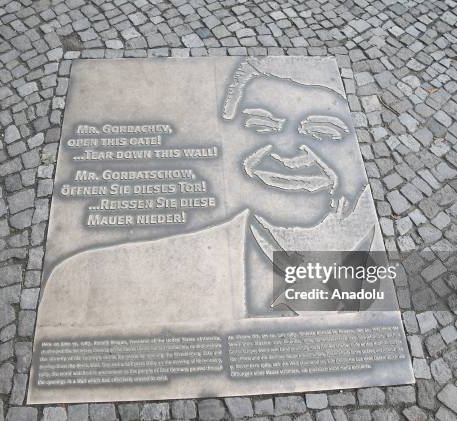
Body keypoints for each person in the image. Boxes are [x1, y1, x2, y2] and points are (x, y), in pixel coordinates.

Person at [36, 57, 376, 333]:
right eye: (260, 126)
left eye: (324, 132)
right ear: (228, 137)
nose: (288, 151)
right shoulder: (87, 280)